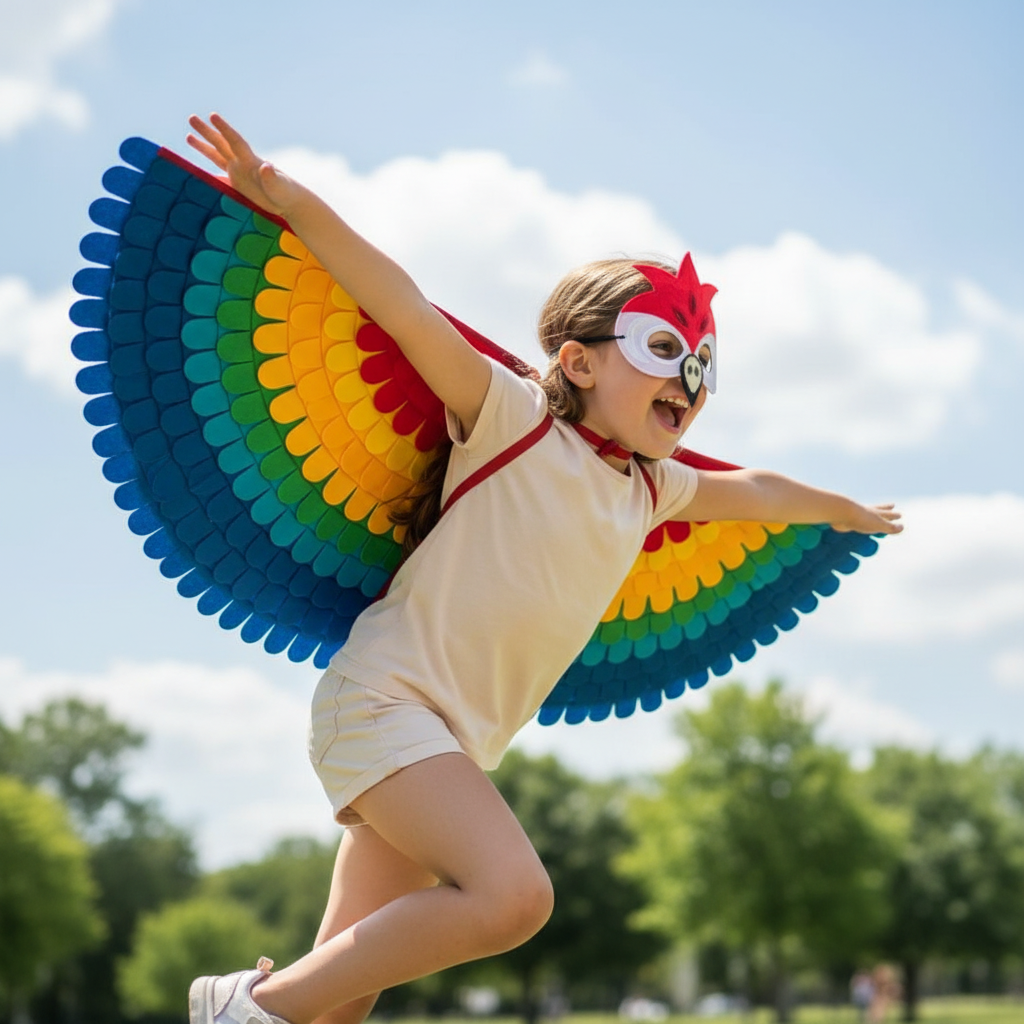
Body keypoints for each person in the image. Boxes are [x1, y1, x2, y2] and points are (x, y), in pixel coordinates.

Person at [183, 113, 903, 1024]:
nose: (690, 378)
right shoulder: (513, 420)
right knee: (514, 898)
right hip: (385, 706)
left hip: (445, 744)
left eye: (702, 364)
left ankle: (275, 1005)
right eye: (663, 352)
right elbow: (401, 302)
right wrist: (287, 198)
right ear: (578, 361)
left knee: (346, 1001)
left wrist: (839, 509)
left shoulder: (654, 491)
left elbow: (752, 489)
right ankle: (251, 1006)